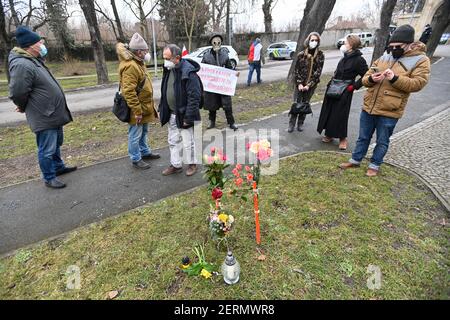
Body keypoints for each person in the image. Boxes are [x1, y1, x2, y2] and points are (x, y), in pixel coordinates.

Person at [340, 25, 431, 177]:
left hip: (390, 109)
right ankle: (355, 160)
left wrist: (394, 78)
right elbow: (366, 77)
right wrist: (371, 79)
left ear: (409, 44)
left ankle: (374, 165)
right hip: (369, 105)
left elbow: (418, 83)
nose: (393, 49)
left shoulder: (421, 60)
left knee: (382, 140)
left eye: (398, 46)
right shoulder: (385, 56)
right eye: (391, 46)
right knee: (363, 137)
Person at [8, 26, 76, 189]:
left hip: (52, 112)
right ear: (31, 45)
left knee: (55, 144)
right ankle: (49, 177)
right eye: (40, 42)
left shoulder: (33, 60)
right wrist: (22, 106)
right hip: (43, 114)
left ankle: (58, 168)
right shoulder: (22, 64)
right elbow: (17, 92)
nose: (42, 44)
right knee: (46, 148)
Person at [317, 34, 368, 150]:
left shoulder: (359, 60)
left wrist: (353, 87)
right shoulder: (344, 57)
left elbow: (366, 75)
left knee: (341, 114)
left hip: (345, 90)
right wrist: (330, 82)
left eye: (346, 43)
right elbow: (337, 72)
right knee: (330, 112)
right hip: (334, 87)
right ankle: (329, 134)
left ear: (352, 45)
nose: (344, 45)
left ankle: (342, 138)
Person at [117, 33, 160, 170]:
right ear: (138, 52)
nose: (147, 53)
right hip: (137, 108)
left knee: (144, 131)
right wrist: (137, 110)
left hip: (144, 106)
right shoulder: (131, 66)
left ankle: (144, 151)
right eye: (145, 50)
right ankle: (135, 158)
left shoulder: (138, 63)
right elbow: (128, 91)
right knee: (135, 134)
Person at [159, 44, 202, 177]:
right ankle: (176, 164)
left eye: (167, 58)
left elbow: (194, 97)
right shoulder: (168, 70)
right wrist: (162, 107)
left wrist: (188, 118)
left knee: (188, 142)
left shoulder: (189, 72)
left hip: (184, 115)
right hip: (171, 114)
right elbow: (165, 90)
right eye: (164, 58)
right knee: (173, 141)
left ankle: (192, 164)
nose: (165, 61)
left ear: (177, 58)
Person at [289, 32, 325, 133]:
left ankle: (300, 123)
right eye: (312, 40)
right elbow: (296, 70)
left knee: (305, 103)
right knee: (296, 103)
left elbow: (318, 72)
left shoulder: (320, 55)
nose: (314, 42)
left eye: (316, 40)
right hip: (299, 84)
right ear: (308, 41)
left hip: (311, 85)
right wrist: (300, 83)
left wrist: (309, 85)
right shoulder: (301, 55)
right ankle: (291, 123)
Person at [202, 34, 238, 131]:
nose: (217, 43)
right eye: (214, 42)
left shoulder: (225, 55)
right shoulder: (206, 56)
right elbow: (203, 70)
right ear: (211, 43)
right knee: (212, 105)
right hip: (212, 86)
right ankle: (212, 122)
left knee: (227, 105)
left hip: (223, 85)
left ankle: (231, 123)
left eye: (219, 42)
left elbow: (230, 69)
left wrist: (234, 74)